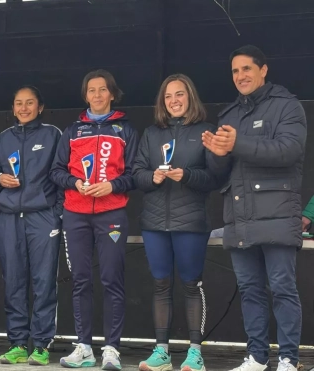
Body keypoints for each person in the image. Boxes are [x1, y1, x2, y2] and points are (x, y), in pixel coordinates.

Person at [202, 45, 306, 371]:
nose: (240, 76)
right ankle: (257, 358)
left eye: (246, 69)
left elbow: (288, 150)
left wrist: (237, 144)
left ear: (263, 70)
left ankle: (289, 359)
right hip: (239, 216)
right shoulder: (228, 115)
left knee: (282, 289)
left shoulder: (287, 106)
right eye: (234, 71)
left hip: (276, 212)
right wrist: (216, 153)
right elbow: (218, 174)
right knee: (249, 290)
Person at [50, 69, 138, 369]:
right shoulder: (73, 130)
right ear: (85, 95)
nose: (97, 95)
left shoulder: (125, 129)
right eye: (91, 90)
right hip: (75, 213)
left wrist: (112, 185)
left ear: (112, 93)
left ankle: (111, 348)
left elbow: (134, 174)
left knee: (112, 279)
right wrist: (75, 183)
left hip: (111, 212)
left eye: (103, 90)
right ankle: (84, 346)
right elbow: (57, 171)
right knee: (80, 281)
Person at [133, 74, 220, 371]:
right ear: (163, 102)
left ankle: (195, 353)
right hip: (154, 221)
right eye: (168, 96)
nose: (174, 101)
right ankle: (162, 353)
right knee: (160, 285)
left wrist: (188, 176)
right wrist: (153, 177)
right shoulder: (151, 133)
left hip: (191, 222)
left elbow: (215, 178)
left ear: (190, 97)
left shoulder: (207, 131)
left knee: (191, 285)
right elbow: (137, 174)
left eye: (180, 94)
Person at [0, 86, 63, 366]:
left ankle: (42, 344)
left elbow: (60, 174)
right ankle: (18, 343)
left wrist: (56, 213)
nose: (23, 108)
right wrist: (0, 181)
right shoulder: (4, 138)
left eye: (29, 102)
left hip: (42, 216)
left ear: (40, 106)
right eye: (18, 103)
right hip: (9, 216)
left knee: (44, 281)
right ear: (13, 108)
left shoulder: (52, 134)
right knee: (14, 281)